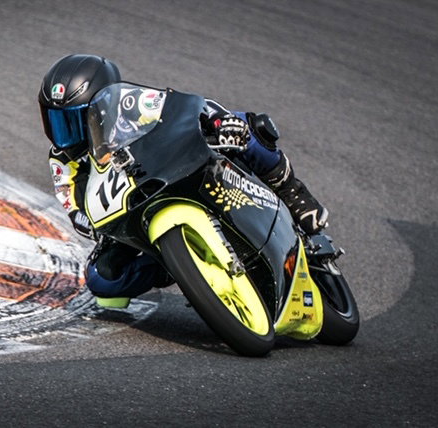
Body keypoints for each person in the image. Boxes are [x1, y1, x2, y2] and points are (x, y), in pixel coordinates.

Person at [39, 54, 328, 301]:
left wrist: (219, 123)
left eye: (74, 120)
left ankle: (293, 192)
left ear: (103, 105)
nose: (66, 133)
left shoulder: (129, 105)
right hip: (130, 211)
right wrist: (94, 226)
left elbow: (189, 107)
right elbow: (72, 205)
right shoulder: (62, 159)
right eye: (57, 121)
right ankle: (175, 264)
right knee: (101, 279)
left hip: (170, 169)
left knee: (246, 127)